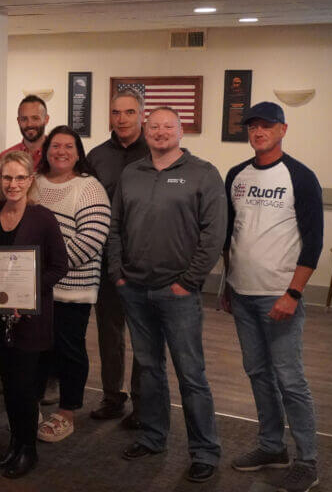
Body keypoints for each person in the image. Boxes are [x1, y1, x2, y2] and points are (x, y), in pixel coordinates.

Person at [107, 107, 225, 483]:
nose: (160, 132)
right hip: (135, 290)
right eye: (153, 126)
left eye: (167, 127)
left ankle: (204, 451)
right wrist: (118, 275)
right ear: (146, 130)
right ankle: (153, 436)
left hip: (179, 294)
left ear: (181, 130)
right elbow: (114, 229)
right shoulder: (132, 173)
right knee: (149, 369)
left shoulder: (203, 174)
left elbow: (213, 235)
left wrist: (188, 282)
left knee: (191, 375)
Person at [222, 101, 323, 492]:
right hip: (242, 295)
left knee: (290, 379)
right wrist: (228, 286)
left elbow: (313, 242)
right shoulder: (236, 175)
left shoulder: (300, 176)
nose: (258, 131)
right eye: (252, 126)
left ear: (283, 129)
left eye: (266, 125)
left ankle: (307, 460)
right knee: (258, 373)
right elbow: (230, 236)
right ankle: (270, 446)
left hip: (279, 297)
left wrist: (294, 293)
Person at [0, 150, 68, 478]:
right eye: (7, 177)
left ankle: (28, 450)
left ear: (30, 180)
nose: (13, 184)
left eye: (19, 178)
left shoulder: (43, 218)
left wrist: (27, 288)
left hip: (29, 317)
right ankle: (14, 445)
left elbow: (60, 266)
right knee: (8, 383)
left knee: (25, 387)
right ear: (0, 180)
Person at [32, 126, 110, 443]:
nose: (61, 151)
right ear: (46, 150)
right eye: (55, 145)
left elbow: (91, 240)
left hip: (71, 288)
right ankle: (32, 406)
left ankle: (67, 412)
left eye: (68, 146)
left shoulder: (89, 188)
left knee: (69, 350)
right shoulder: (34, 184)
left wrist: (46, 271)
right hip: (35, 288)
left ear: (78, 153)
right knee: (37, 350)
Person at [86, 89, 150, 428]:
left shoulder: (156, 152)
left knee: (143, 336)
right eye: (116, 112)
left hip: (144, 261)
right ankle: (113, 397)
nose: (122, 118)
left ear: (141, 114)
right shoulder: (96, 156)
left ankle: (143, 405)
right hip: (106, 259)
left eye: (128, 112)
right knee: (110, 333)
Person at [0, 95, 50, 195]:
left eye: (35, 118)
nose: (29, 124)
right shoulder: (4, 157)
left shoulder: (57, 156)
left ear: (46, 119)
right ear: (18, 121)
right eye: (24, 119)